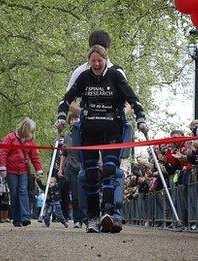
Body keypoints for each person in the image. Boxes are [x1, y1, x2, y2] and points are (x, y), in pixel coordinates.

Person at [56, 45, 148, 233]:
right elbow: (66, 100)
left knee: (109, 170)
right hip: (89, 132)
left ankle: (108, 213)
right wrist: (61, 118)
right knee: (90, 174)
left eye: (100, 60)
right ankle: (92, 217)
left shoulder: (116, 75)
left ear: (106, 60)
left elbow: (133, 98)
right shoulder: (84, 77)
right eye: (93, 61)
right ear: (89, 62)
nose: (97, 64)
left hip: (112, 131)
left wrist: (141, 119)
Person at [0, 118, 43, 227]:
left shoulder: (30, 141)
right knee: (14, 194)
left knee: (23, 191)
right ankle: (16, 218)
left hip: (23, 170)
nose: (32, 133)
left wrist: (39, 169)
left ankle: (25, 217)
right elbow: (4, 153)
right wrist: (3, 168)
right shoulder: (10, 137)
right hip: (11, 170)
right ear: (25, 128)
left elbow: (34, 156)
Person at [57, 113, 85, 228]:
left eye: (76, 119)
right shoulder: (67, 136)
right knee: (75, 195)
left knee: (84, 193)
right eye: (71, 119)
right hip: (71, 168)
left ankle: (87, 217)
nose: (73, 121)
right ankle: (77, 220)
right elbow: (64, 154)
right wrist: (60, 169)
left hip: (83, 167)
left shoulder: (84, 134)